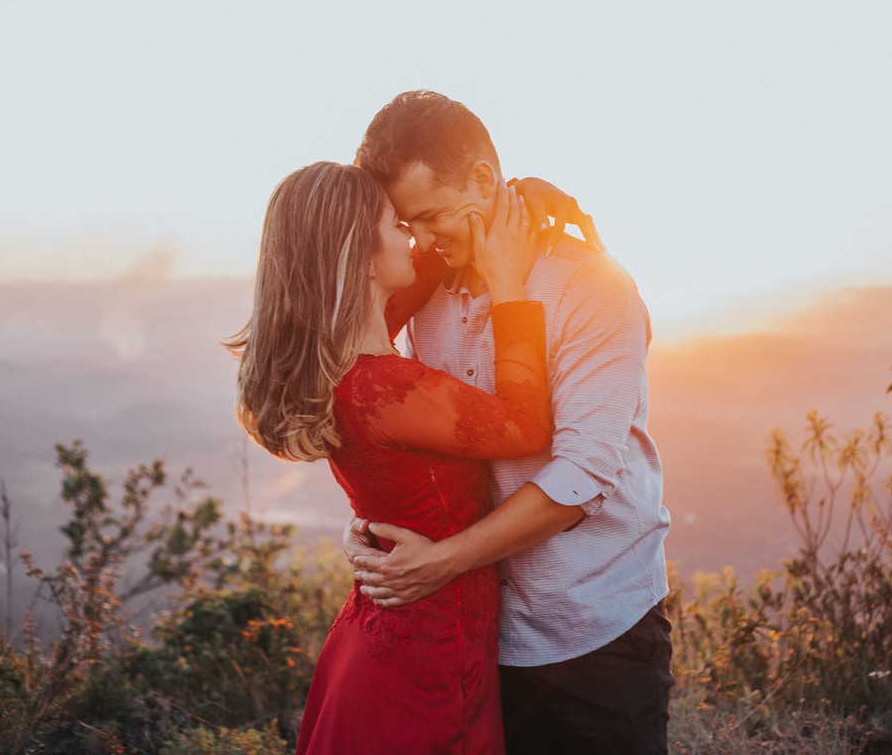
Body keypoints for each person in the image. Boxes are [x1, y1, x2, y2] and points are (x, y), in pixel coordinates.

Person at [347, 90, 674, 755]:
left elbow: (582, 476)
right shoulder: (427, 290)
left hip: (593, 633)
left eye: (433, 216)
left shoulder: (591, 286)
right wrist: (375, 524)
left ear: (483, 179)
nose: (423, 241)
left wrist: (441, 563)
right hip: (474, 635)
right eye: (408, 224)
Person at [229, 160, 574, 755]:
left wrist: (502, 201)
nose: (414, 236)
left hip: (384, 643)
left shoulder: (334, 356)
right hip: (425, 672)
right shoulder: (385, 388)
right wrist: (508, 281)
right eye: (398, 224)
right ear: (360, 255)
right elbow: (526, 426)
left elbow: (425, 264)